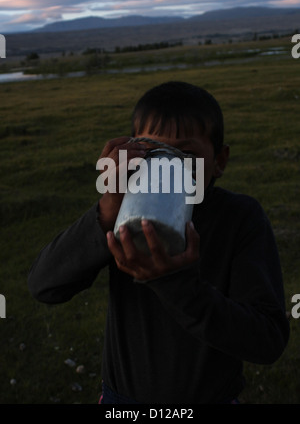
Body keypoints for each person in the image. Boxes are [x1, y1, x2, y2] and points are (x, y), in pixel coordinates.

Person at [28, 81, 289, 404]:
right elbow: (44, 286)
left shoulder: (238, 218)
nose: (166, 166)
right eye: (151, 152)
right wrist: (107, 210)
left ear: (219, 161)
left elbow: (267, 340)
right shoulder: (126, 212)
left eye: (186, 155)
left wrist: (175, 284)